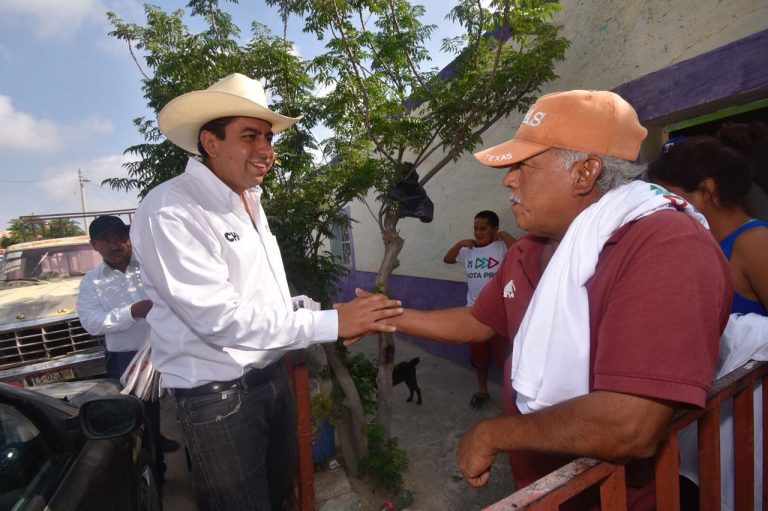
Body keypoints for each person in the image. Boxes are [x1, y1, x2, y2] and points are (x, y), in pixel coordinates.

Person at [350, 90, 733, 509]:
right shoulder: (531, 248)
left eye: (523, 165)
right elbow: (479, 320)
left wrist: (493, 433)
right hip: (545, 488)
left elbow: (629, 425)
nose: (508, 179)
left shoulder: (666, 245)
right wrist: (385, 316)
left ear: (585, 172)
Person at [130, 73, 402, 511]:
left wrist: (326, 313)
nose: (266, 150)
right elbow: (220, 320)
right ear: (210, 141)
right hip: (217, 399)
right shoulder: (171, 210)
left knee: (276, 496)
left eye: (269, 137)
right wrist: (330, 323)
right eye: (250, 135)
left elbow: (258, 299)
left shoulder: (249, 200)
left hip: (269, 380)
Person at [648, 135, 768, 510]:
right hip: (712, 416)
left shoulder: (755, 243)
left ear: (707, 191)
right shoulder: (700, 243)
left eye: (671, 196)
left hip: (750, 418)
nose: (667, 207)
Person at [76, 215, 178, 475]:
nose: (116, 244)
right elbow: (92, 323)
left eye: (121, 237)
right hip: (128, 357)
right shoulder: (91, 283)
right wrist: (131, 311)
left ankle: (179, 455)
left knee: (185, 405)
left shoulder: (150, 265)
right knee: (137, 417)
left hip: (170, 346)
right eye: (107, 240)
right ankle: (155, 473)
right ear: (93, 245)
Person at [443, 210, 514, 409]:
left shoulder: (501, 248)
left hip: (499, 313)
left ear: (494, 229)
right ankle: (482, 391)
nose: (478, 232)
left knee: (504, 358)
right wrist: (459, 244)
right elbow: (447, 259)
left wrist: (505, 235)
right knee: (479, 358)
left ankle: (509, 397)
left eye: (483, 228)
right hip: (473, 313)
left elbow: (520, 250)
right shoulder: (469, 251)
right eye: (476, 228)